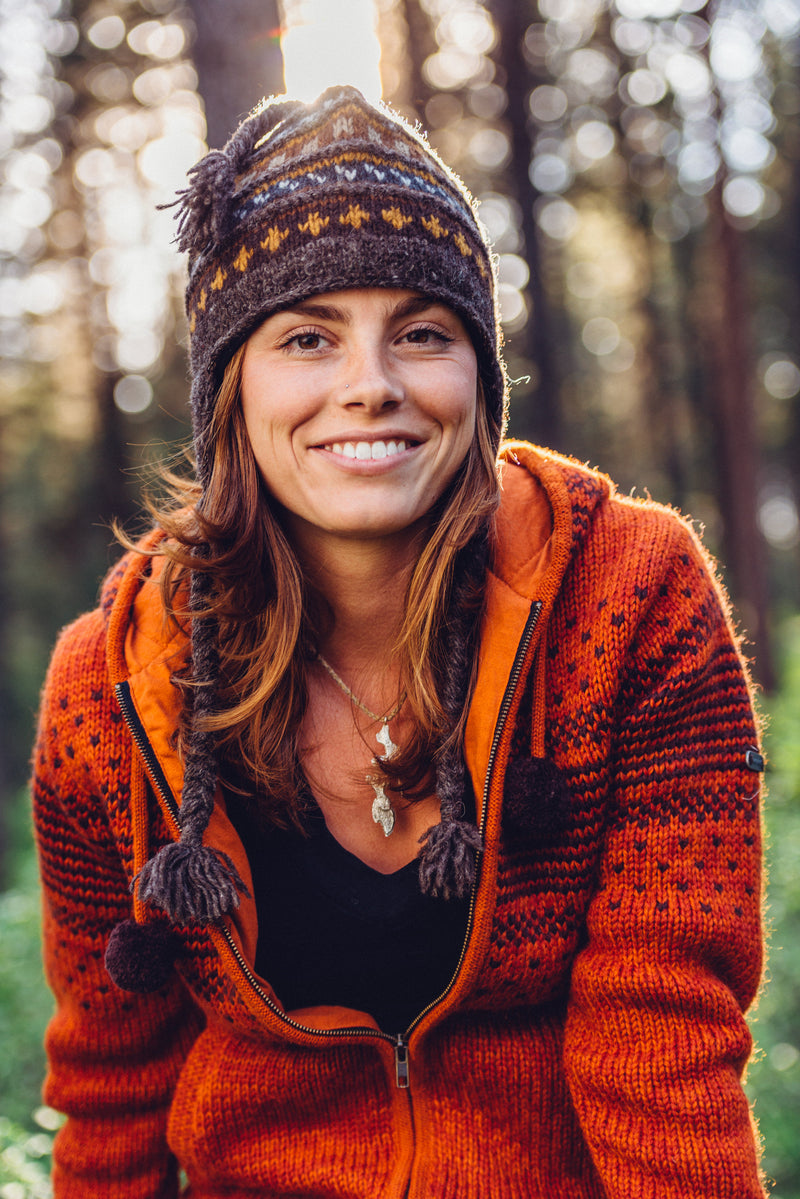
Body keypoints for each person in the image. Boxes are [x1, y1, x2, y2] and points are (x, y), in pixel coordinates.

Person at [32, 85, 766, 1198]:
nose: (369, 385)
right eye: (306, 337)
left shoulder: (629, 599)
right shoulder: (111, 682)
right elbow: (111, 1075)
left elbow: (661, 1032)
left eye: (420, 332)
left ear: (480, 375)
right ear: (230, 392)